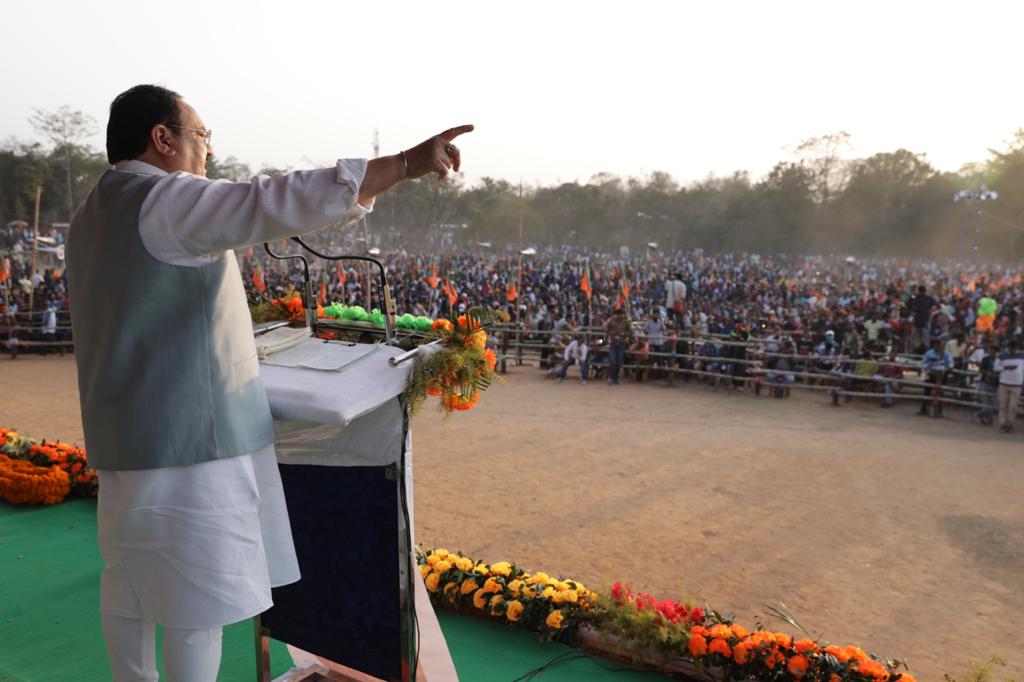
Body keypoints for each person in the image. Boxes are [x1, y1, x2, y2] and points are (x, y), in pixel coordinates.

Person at [67, 83, 473, 682]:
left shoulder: (93, 211)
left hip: (124, 443)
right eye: (201, 136)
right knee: (192, 609)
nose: (206, 151)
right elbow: (269, 200)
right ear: (162, 139)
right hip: (190, 453)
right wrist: (405, 165)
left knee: (129, 589)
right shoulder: (168, 199)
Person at [994, 339, 1023, 433]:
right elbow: (995, 368)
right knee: (1003, 405)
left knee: (1013, 406)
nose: (1011, 350)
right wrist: (1005, 367)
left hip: (1016, 384)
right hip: (1004, 383)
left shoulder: (1022, 356)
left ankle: (1010, 423)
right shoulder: (1001, 356)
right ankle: (1003, 423)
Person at [919, 337, 952, 417]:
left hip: (941, 376)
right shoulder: (929, 353)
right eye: (935, 345)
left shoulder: (946, 354)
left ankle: (939, 411)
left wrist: (948, 367)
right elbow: (923, 363)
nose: (937, 346)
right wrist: (928, 365)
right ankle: (924, 409)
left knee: (940, 393)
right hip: (931, 374)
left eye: (939, 345)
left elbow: (951, 364)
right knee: (927, 391)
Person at [603, 308, 633, 385]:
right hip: (613, 343)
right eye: (619, 314)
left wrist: (624, 334)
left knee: (619, 362)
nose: (621, 316)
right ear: (616, 315)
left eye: (622, 314)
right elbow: (606, 329)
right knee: (613, 361)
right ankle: (612, 377)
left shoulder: (626, 322)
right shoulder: (611, 321)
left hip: (621, 344)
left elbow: (631, 332)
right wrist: (610, 334)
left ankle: (615, 377)